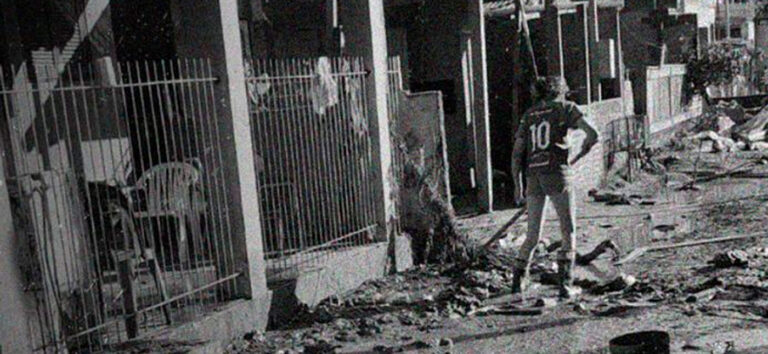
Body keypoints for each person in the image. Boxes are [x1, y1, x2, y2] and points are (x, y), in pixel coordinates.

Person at [510, 76, 599, 299]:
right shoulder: (566, 108)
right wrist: (587, 146)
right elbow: (593, 134)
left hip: (533, 176)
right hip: (557, 174)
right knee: (568, 230)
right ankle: (566, 286)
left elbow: (517, 153)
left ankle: (518, 284)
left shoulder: (529, 115)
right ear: (560, 91)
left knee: (532, 235)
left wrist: (517, 184)